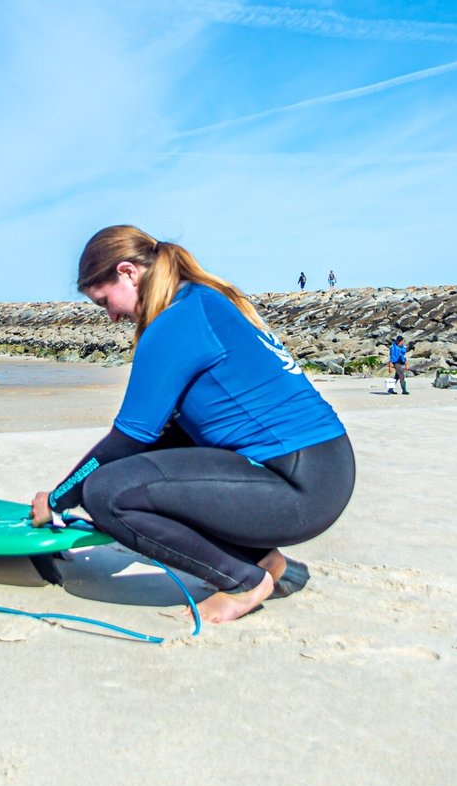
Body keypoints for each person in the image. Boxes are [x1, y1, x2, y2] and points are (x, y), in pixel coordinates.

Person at [29, 226, 355, 625]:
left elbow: (128, 439)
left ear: (128, 272)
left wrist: (60, 498)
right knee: (142, 474)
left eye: (104, 301)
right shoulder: (202, 300)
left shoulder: (176, 323)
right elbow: (164, 440)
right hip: (320, 470)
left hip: (298, 485)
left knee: (107, 493)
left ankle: (242, 581)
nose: (112, 316)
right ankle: (262, 560)